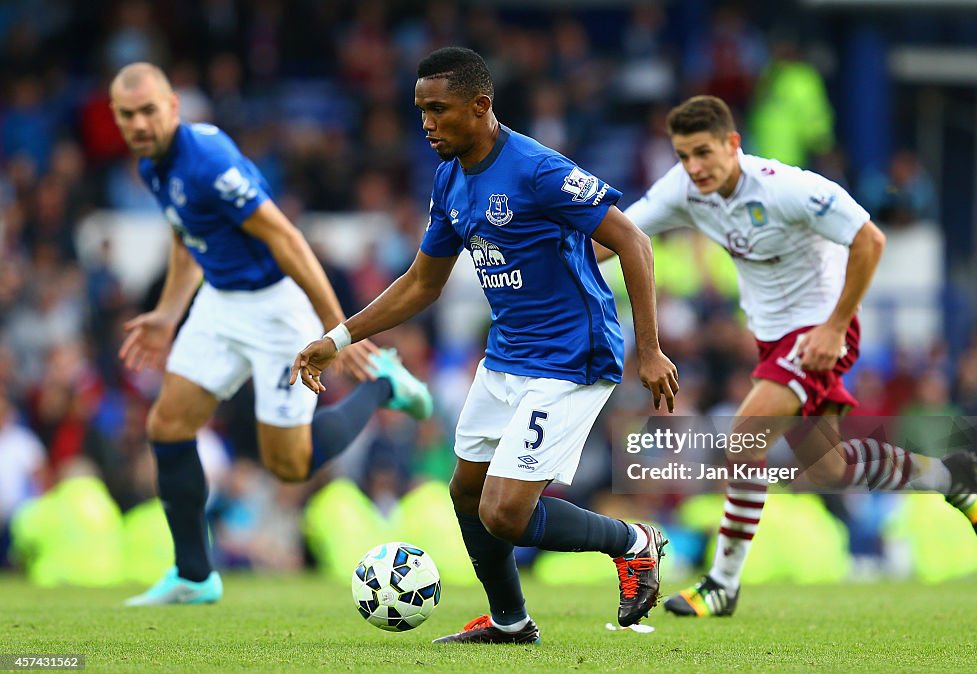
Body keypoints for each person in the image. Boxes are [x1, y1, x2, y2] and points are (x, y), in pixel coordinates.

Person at [291, 47, 679, 643]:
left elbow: (634, 242)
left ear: (481, 105)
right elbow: (423, 283)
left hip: (573, 356)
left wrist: (648, 349)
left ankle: (634, 542)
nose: (426, 124)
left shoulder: (537, 169)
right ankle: (509, 622)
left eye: (438, 110)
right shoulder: (450, 179)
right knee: (466, 492)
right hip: (508, 354)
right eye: (420, 110)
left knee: (505, 512)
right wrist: (338, 337)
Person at [599, 95, 977, 617]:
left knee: (742, 440)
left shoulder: (789, 188)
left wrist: (832, 326)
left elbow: (870, 240)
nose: (693, 167)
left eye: (703, 153)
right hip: (772, 339)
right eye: (683, 155)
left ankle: (722, 582)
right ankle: (946, 476)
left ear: (733, 144)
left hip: (820, 333)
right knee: (829, 468)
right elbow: (619, 236)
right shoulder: (684, 189)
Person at [110, 63, 433, 606]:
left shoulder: (208, 160)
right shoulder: (153, 164)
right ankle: (194, 575)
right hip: (219, 302)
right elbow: (187, 232)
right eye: (128, 114)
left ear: (172, 108)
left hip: (276, 310)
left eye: (148, 111)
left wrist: (340, 333)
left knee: (287, 464)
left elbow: (287, 239)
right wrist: (169, 312)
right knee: (167, 425)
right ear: (118, 119)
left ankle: (383, 382)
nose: (139, 123)